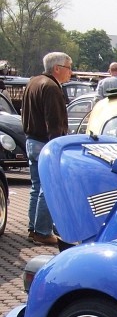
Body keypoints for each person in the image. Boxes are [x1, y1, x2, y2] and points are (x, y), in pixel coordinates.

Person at [22, 51, 72, 246]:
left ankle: (33, 229)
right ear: (57, 68)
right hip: (46, 143)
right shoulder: (51, 87)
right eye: (68, 68)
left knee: (36, 187)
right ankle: (42, 231)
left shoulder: (33, 82)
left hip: (32, 140)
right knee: (48, 188)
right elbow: (54, 121)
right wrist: (57, 145)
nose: (71, 72)